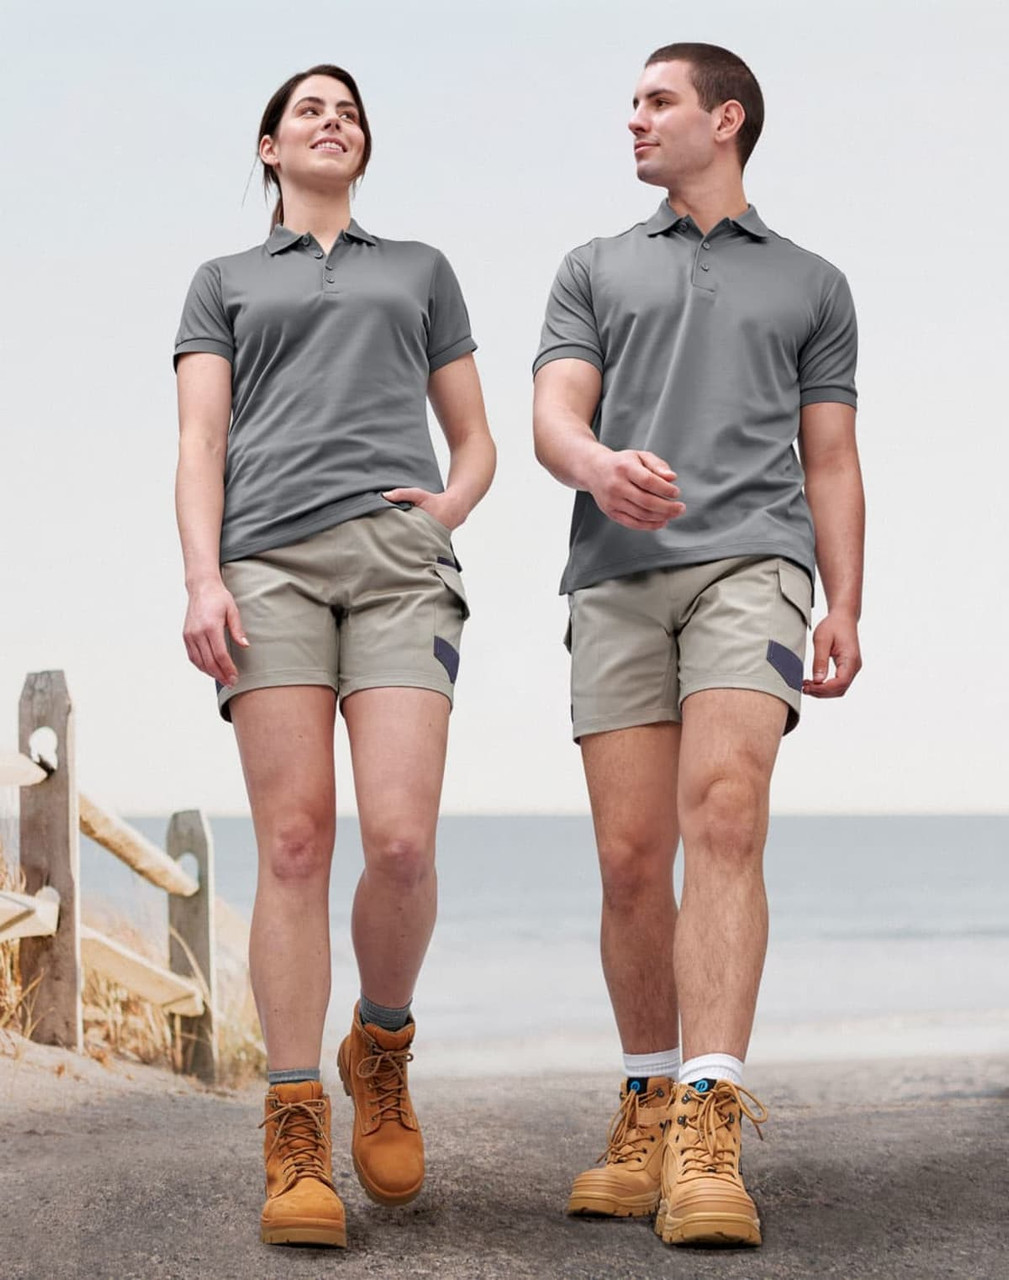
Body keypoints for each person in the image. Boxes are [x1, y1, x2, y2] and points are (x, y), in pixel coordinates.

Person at [533, 42, 863, 1249]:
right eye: (629, 101)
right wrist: (597, 464)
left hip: (754, 564)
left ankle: (710, 1119)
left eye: (656, 101)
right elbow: (553, 413)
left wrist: (844, 599)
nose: (633, 120)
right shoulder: (593, 266)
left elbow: (828, 455)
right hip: (614, 579)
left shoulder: (812, 283)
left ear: (724, 120)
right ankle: (647, 1098)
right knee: (631, 857)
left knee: (725, 811)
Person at [173, 64, 495, 1249]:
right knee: (297, 837)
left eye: (350, 111)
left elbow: (475, 438)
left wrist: (444, 508)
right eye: (309, 108)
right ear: (268, 147)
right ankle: (297, 1122)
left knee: (401, 838)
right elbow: (200, 435)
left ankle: (384, 1043)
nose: (332, 120)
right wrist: (204, 576)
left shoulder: (418, 269)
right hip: (266, 567)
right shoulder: (222, 282)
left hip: (401, 565)